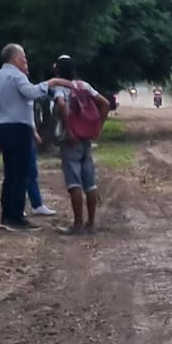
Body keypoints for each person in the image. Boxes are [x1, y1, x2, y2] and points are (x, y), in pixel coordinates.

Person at [0, 43, 53, 233]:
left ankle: (7, 215)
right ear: (14, 58)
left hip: (3, 129)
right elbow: (30, 92)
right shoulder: (16, 76)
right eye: (23, 57)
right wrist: (49, 84)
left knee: (10, 174)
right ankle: (16, 218)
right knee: (21, 174)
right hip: (17, 129)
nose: (25, 60)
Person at [49, 54, 112, 235]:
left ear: (58, 70)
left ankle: (77, 224)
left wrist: (69, 130)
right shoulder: (84, 85)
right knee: (89, 183)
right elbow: (105, 104)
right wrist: (97, 127)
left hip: (71, 140)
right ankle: (91, 224)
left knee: (74, 183)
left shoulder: (60, 88)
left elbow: (61, 105)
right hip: (86, 138)